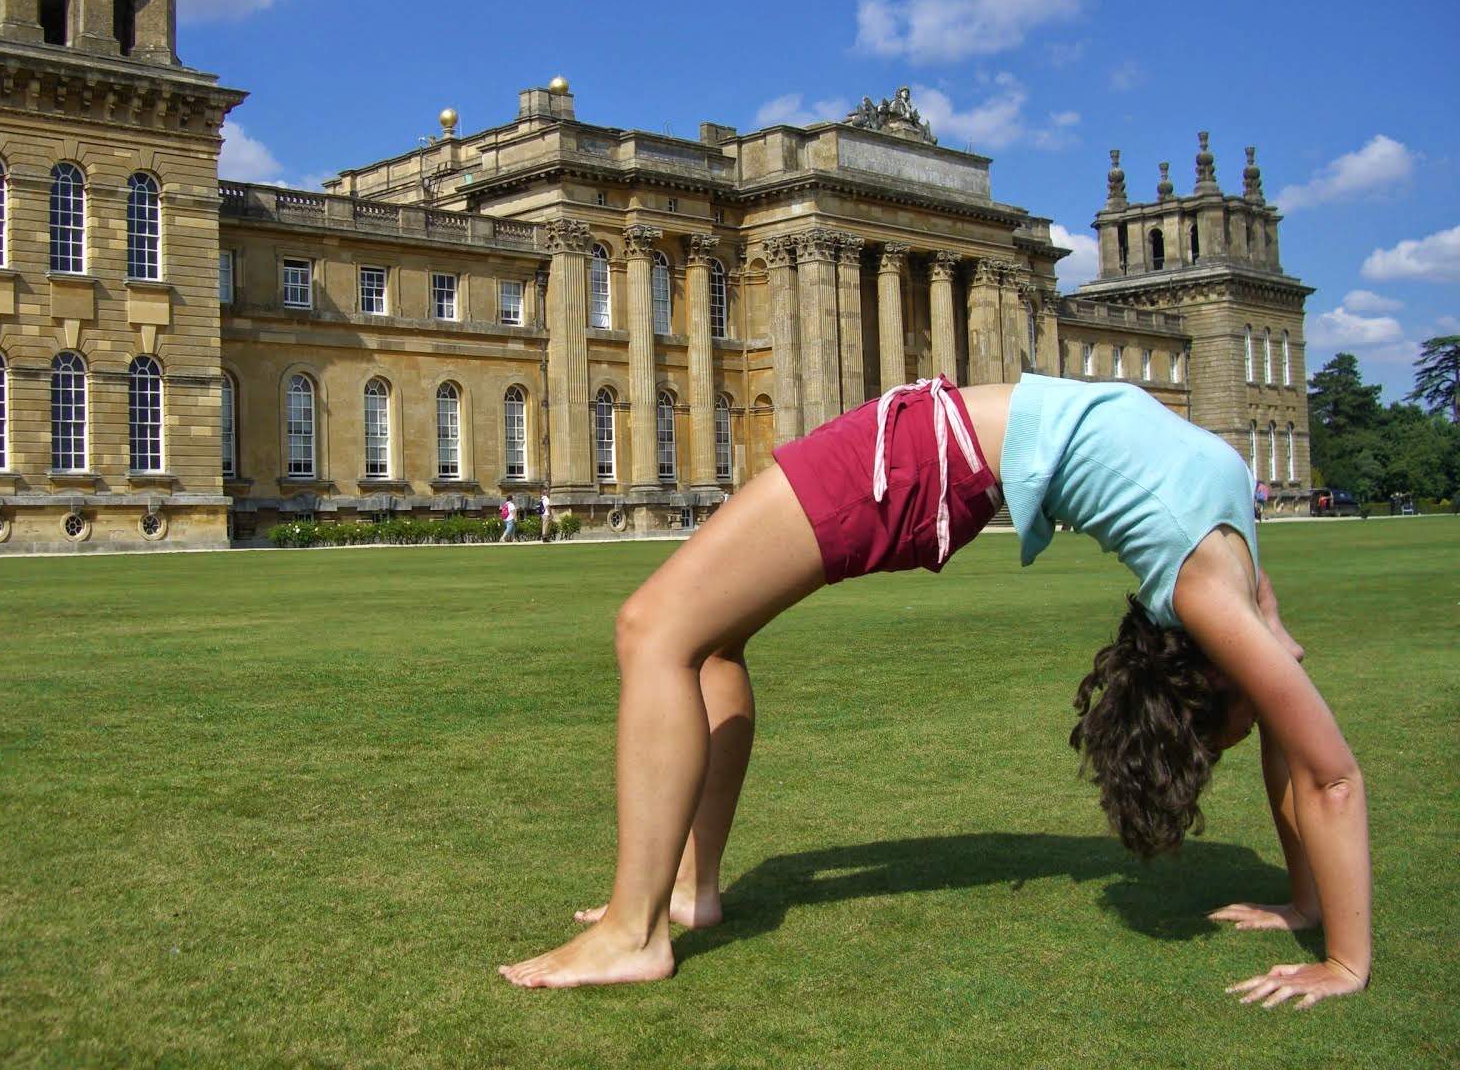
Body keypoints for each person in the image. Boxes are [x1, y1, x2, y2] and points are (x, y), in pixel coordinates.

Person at [498, 374, 1371, 1010]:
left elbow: (1328, 776)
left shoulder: (1211, 585)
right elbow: (1303, 752)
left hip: (920, 457)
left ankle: (633, 933)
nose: (1267, 709)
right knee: (710, 639)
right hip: (930, 452)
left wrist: (1343, 961)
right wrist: (1305, 904)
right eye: (1241, 717)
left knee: (650, 628)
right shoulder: (1233, 585)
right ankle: (687, 892)